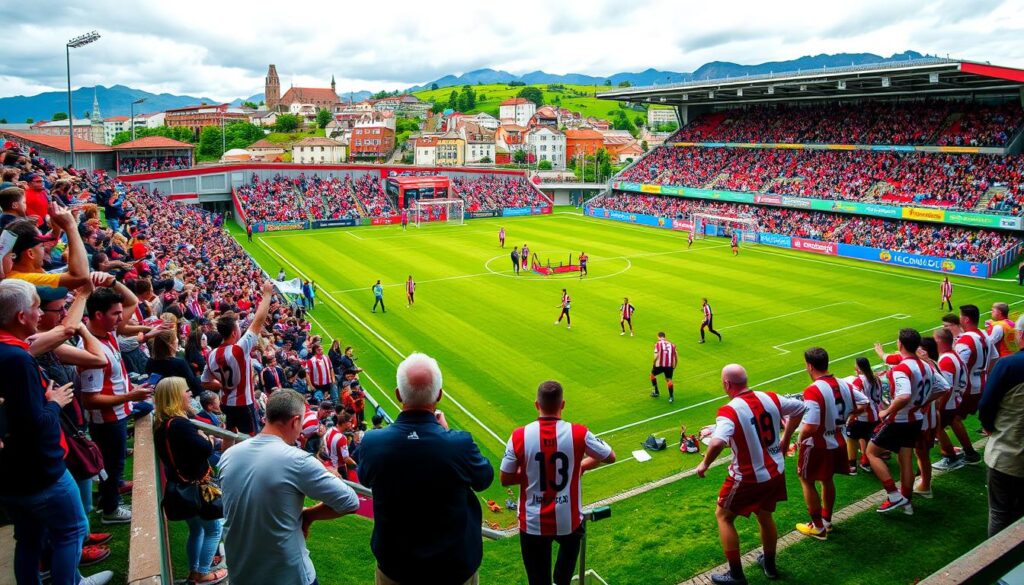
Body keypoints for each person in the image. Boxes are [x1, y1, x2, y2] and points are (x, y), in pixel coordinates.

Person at [358, 353, 494, 585]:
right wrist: (445, 433)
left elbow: (365, 478)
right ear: (439, 395)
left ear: (398, 394)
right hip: (455, 568)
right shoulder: (459, 443)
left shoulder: (373, 443)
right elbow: (484, 478)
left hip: (396, 568)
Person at [0, 279, 92, 585]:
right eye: (36, 307)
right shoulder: (16, 359)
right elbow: (33, 423)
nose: (40, 314)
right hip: (40, 472)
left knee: (28, 540)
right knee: (72, 530)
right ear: (21, 316)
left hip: (13, 475)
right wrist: (54, 403)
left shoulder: (10, 350)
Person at [220, 389, 360, 585]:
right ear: (295, 421)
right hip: (289, 576)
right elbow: (350, 501)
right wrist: (309, 515)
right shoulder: (298, 460)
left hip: (241, 574)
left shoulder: (229, 455)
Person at [696, 364, 805, 585]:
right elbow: (800, 408)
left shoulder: (729, 411)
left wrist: (704, 464)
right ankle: (770, 566)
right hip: (775, 471)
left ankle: (736, 575)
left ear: (727, 384)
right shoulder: (770, 398)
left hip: (747, 476)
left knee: (724, 517)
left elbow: (717, 441)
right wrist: (785, 439)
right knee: (765, 516)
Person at [500, 380, 616, 585]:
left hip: (533, 522)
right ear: (563, 404)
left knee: (538, 581)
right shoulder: (579, 433)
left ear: (537, 405)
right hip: (569, 521)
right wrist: (581, 466)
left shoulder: (519, 436)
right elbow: (609, 456)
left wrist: (530, 474)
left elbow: (505, 478)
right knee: (563, 579)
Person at [79, 286, 154, 525]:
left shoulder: (106, 333)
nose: (121, 319)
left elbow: (131, 302)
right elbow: (90, 399)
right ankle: (111, 509)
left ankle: (107, 500)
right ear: (99, 315)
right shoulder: (91, 351)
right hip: (107, 419)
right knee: (112, 464)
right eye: (115, 314)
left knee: (115, 462)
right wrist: (130, 396)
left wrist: (112, 282)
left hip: (119, 413)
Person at [152, 377, 227, 585]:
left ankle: (194, 572)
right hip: (197, 487)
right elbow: (205, 449)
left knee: (196, 529)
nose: (190, 395)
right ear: (176, 396)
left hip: (180, 486)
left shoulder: (162, 424)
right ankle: (202, 573)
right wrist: (207, 438)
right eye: (186, 391)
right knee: (214, 529)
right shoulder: (180, 425)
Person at [867, 328, 949, 515]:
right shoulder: (926, 365)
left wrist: (887, 411)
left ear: (900, 344)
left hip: (900, 419)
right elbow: (944, 387)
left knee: (871, 453)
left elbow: (903, 396)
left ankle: (894, 496)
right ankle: (907, 502)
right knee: (906, 459)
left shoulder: (902, 368)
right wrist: (922, 403)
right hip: (916, 419)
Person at [794, 347, 863, 540]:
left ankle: (818, 527)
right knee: (827, 479)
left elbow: (811, 425)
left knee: (806, 480)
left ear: (809, 366)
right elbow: (864, 403)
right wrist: (847, 416)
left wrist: (799, 441)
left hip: (817, 444)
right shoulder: (844, 384)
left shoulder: (813, 390)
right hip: (839, 440)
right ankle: (826, 521)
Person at [201, 281, 275, 439]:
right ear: (234, 332)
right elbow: (258, 320)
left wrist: (223, 385)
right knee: (250, 439)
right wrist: (267, 294)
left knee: (229, 434)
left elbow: (205, 382)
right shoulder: (240, 349)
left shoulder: (211, 355)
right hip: (244, 405)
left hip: (226, 403)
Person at [978, 326, 1024, 536]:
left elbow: (986, 405)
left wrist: (989, 428)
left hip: (1007, 454)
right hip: (1010, 454)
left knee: (999, 513)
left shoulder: (1009, 364)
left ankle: (997, 563)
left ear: (1020, 335)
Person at [956, 304, 995, 455]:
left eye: (960, 316)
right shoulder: (985, 335)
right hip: (983, 383)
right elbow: (994, 358)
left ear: (965, 319)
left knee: (948, 418)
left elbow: (958, 367)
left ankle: (968, 453)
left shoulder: (965, 340)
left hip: (968, 387)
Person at [933, 327, 972, 471]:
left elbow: (946, 388)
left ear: (939, 341)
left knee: (935, 427)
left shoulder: (946, 360)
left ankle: (950, 457)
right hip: (956, 399)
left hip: (949, 403)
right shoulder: (954, 355)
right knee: (947, 424)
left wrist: (940, 407)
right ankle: (968, 452)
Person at [845, 357, 883, 473]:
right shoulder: (876, 378)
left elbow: (858, 400)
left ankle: (851, 466)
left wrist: (851, 415)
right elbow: (879, 397)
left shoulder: (858, 381)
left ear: (858, 367)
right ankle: (865, 461)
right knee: (866, 437)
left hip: (862, 416)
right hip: (875, 415)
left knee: (851, 439)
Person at [650, 331, 678, 403]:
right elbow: (676, 356)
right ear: (665, 337)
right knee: (669, 380)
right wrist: (675, 365)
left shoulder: (657, 344)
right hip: (669, 365)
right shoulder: (672, 345)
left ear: (658, 336)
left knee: (652, 375)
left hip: (660, 365)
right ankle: (671, 397)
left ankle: (656, 392)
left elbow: (656, 355)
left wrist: (654, 362)